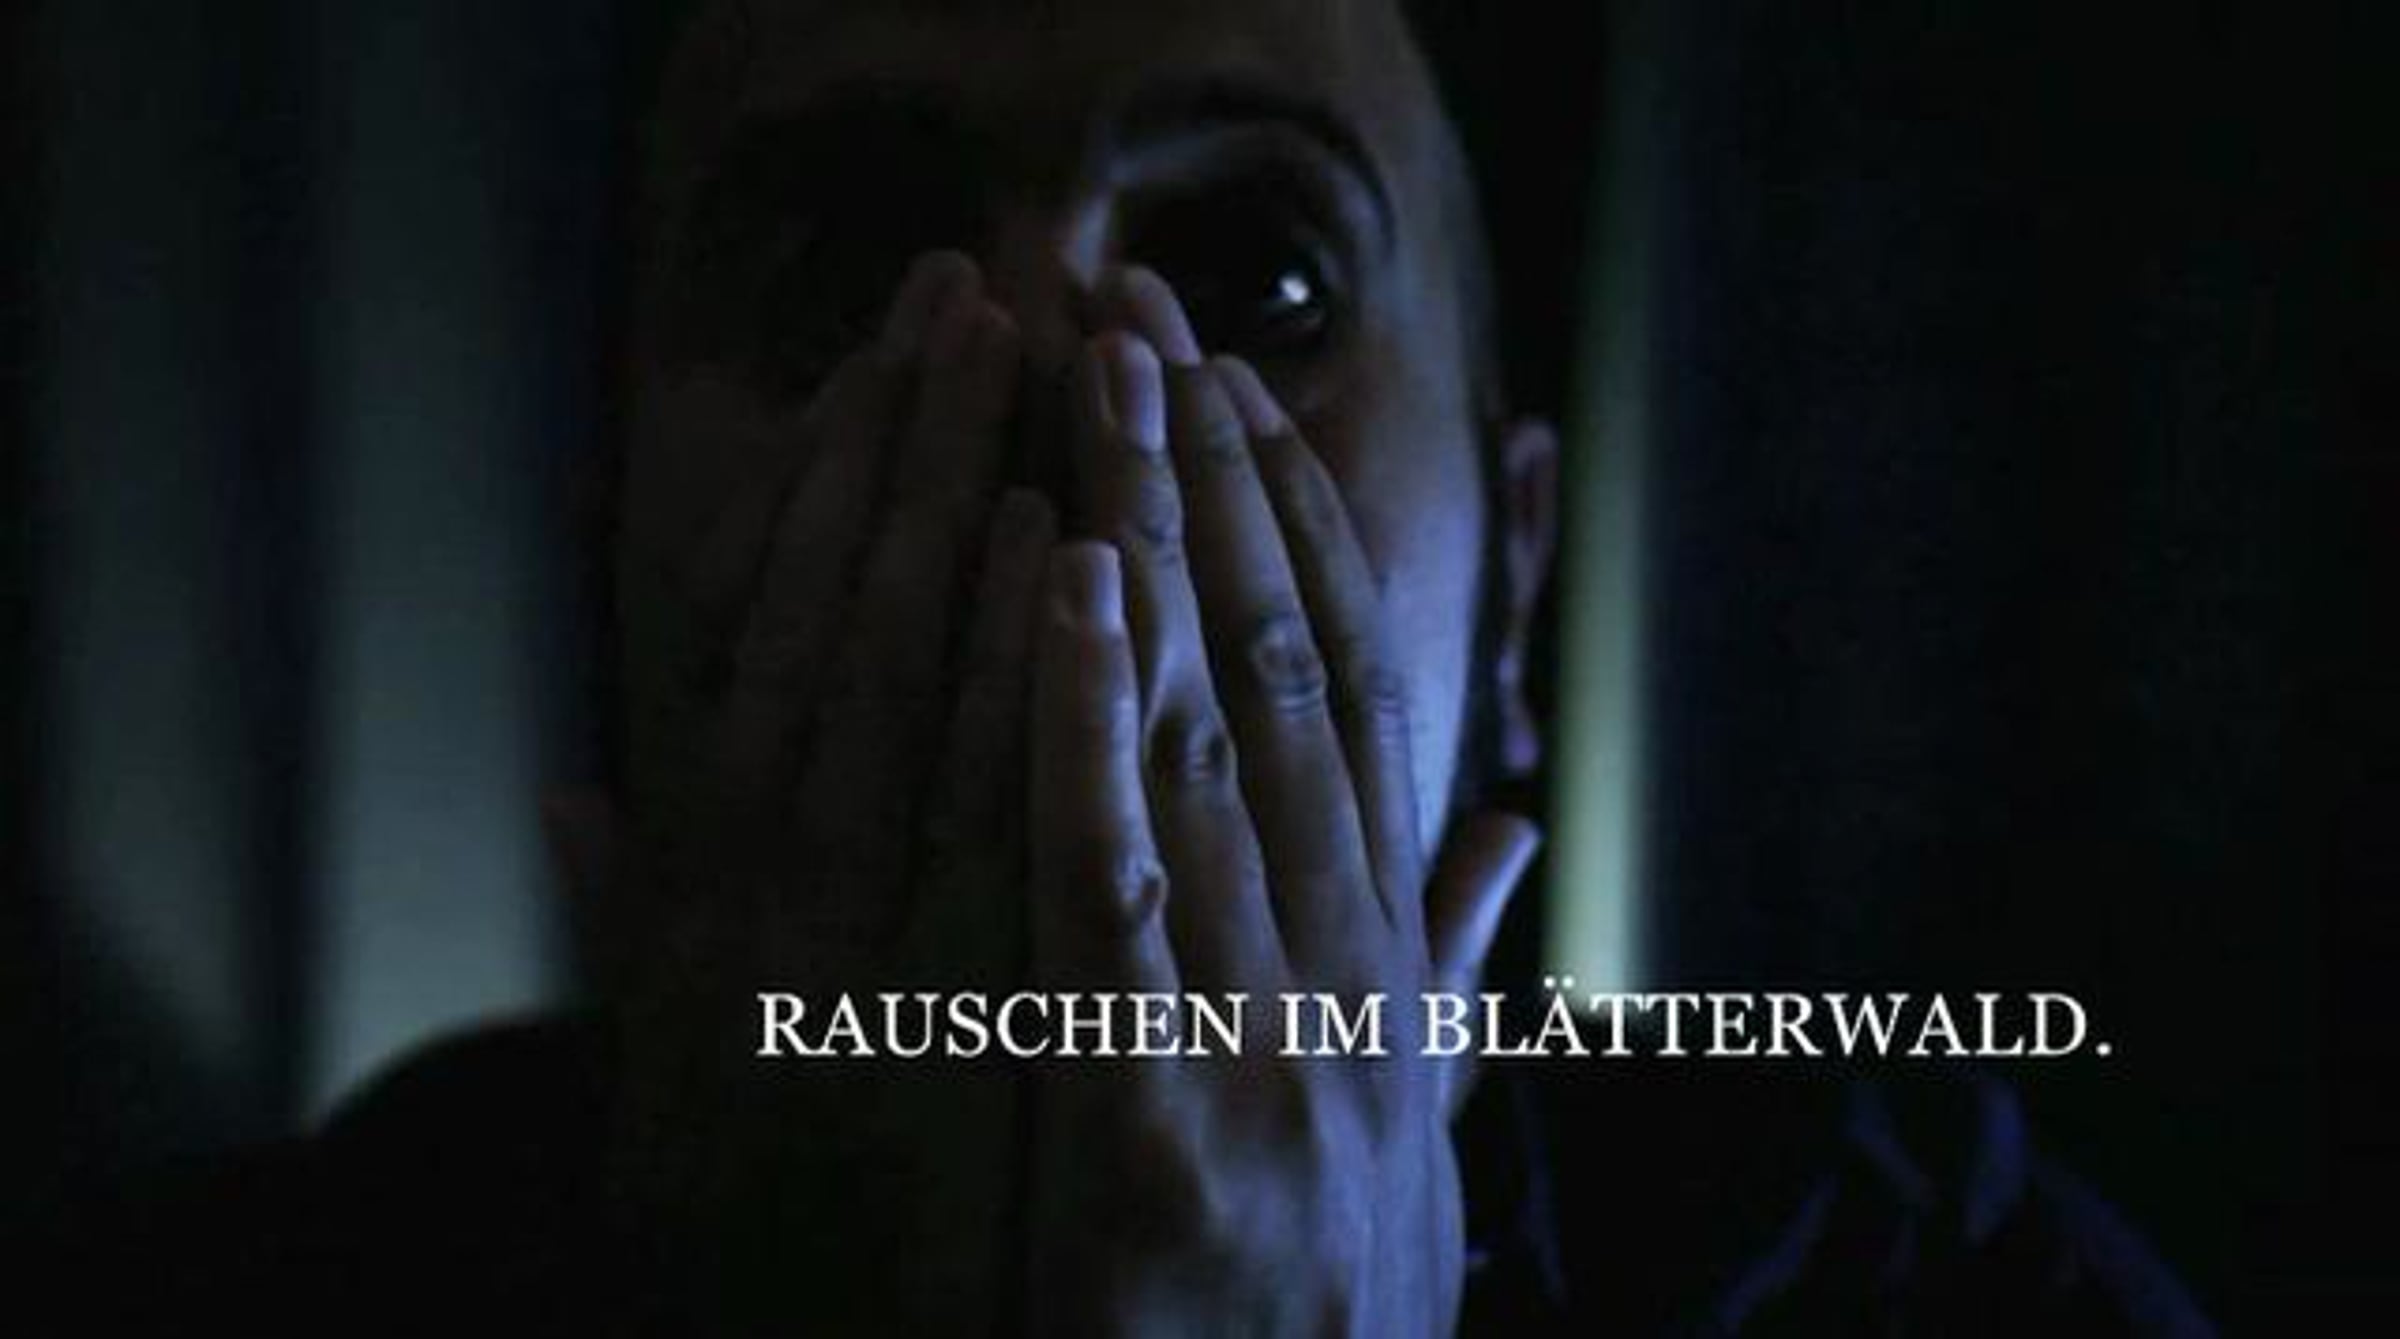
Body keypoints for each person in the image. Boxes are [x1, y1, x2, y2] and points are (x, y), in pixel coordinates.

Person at [30, 1, 2214, 1334]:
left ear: (1515, 583)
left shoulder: (1934, 1289)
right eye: (843, 267)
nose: (1068, 382)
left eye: (1260, 270)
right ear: (613, 560)